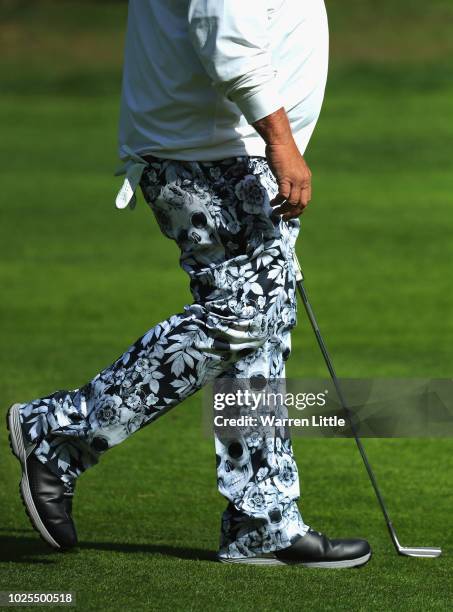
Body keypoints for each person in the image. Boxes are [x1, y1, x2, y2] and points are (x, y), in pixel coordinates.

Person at [7, 0, 371, 567]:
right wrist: (281, 139)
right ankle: (58, 431)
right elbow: (223, 31)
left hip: (223, 150)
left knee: (260, 337)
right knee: (243, 318)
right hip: (210, 155)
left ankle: (263, 520)